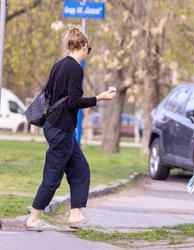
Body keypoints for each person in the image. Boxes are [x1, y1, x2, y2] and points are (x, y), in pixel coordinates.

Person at [25, 25, 117, 230]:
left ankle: (75, 215)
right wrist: (99, 98)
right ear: (82, 46)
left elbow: (48, 94)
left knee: (80, 170)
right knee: (53, 175)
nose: (88, 53)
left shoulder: (58, 65)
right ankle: (33, 218)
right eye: (88, 49)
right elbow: (73, 102)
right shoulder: (75, 68)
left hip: (54, 126)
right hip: (61, 129)